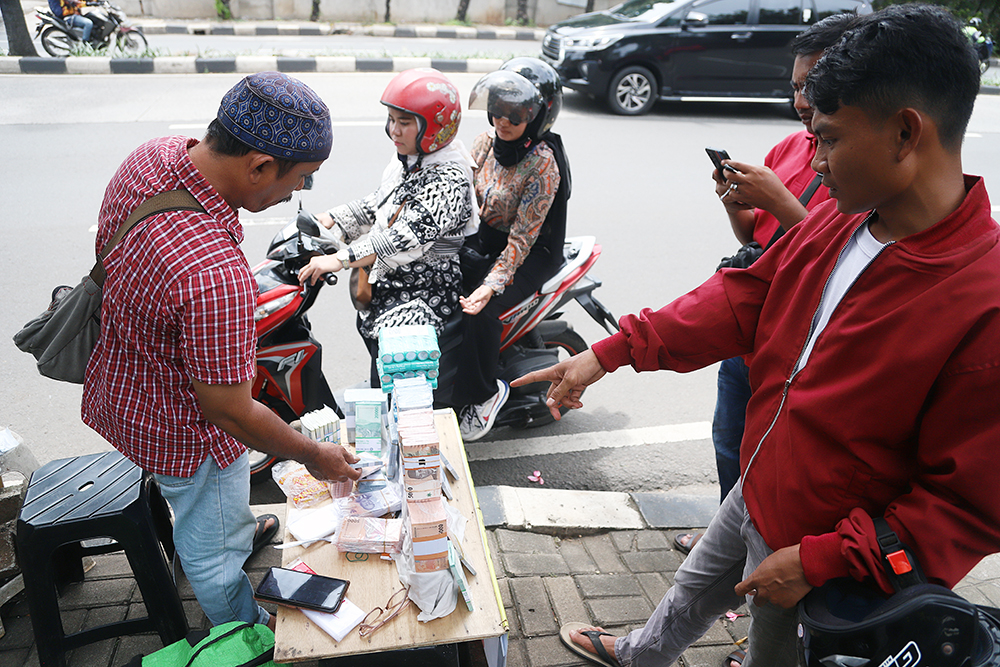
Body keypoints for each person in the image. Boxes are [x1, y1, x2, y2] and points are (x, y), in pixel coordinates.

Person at [516, 6, 1000, 667]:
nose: (816, 162)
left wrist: (821, 558)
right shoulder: (843, 220)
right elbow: (745, 296)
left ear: (905, 133)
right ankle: (640, 653)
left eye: (828, 140)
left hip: (818, 553)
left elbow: (966, 507)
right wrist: (610, 351)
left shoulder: (983, 304)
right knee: (692, 589)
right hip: (761, 477)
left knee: (772, 649)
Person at [82, 72, 361, 631]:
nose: (295, 195)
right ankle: (242, 630)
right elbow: (229, 410)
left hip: (125, 380)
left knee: (211, 511)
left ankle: (228, 526)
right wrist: (312, 453)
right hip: (182, 429)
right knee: (211, 553)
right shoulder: (214, 274)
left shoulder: (154, 156)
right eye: (300, 180)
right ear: (259, 165)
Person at [675, 14, 854, 560]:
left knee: (780, 468)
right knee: (731, 442)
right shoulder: (790, 147)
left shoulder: (856, 164)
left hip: (801, 346)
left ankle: (765, 572)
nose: (802, 100)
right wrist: (739, 204)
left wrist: (778, 201)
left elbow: (836, 259)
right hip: (752, 330)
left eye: (815, 87)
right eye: (796, 86)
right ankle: (726, 547)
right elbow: (758, 236)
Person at [298, 68, 478, 388]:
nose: (394, 130)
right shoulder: (410, 160)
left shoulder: (449, 178)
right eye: (391, 119)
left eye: (405, 122)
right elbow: (379, 204)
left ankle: (420, 422)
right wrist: (332, 219)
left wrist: (339, 259)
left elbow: (401, 237)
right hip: (392, 282)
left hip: (426, 290)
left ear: (435, 127)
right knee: (377, 358)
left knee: (399, 377)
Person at [447, 57, 571, 442]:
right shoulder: (486, 142)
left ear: (536, 118)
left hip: (531, 254)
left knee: (481, 312)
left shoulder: (543, 165)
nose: (502, 121)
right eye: (498, 110)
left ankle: (485, 394)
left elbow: (522, 240)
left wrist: (489, 286)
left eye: (514, 115)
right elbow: (461, 190)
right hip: (484, 239)